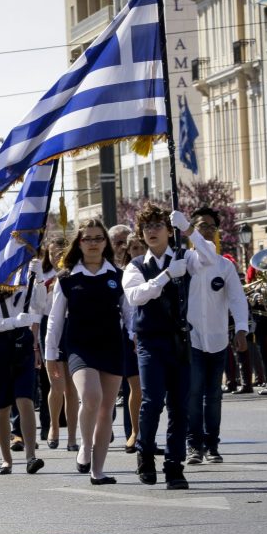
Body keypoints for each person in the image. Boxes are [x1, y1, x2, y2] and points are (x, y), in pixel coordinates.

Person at [122, 203, 219, 490]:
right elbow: (135, 296)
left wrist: (190, 230)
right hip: (151, 341)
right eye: (146, 227)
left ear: (169, 230)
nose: (151, 231)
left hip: (180, 340)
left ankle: (174, 465)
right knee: (152, 400)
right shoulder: (136, 265)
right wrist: (166, 276)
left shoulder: (185, 257)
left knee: (180, 405)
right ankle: (145, 453)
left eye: (158, 226)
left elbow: (211, 257)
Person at [46, 219, 128, 483]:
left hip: (112, 345)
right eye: (87, 238)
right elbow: (55, 320)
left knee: (106, 409)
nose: (93, 243)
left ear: (105, 242)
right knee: (91, 397)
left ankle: (98, 471)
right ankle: (84, 444)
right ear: (78, 243)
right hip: (80, 346)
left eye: (98, 238)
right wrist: (50, 356)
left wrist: (137, 336)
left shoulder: (117, 275)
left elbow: (129, 313)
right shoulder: (67, 278)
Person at [184, 208, 249, 466]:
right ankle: (193, 446)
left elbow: (237, 299)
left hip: (218, 339)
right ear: (191, 230)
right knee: (193, 393)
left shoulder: (225, 266)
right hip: (192, 341)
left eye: (211, 226)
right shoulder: (184, 262)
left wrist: (241, 329)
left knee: (213, 396)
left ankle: (212, 445)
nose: (207, 230)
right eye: (201, 225)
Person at [0, 261, 47, 475]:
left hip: (21, 344)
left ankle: (31, 456)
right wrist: (14, 322)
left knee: (25, 400)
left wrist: (39, 277)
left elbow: (40, 305)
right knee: (2, 407)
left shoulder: (24, 283)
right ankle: (6, 460)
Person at [39, 235, 79, 451]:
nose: (57, 257)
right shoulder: (43, 275)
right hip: (49, 326)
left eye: (62, 253)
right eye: (54, 253)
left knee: (72, 388)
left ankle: (72, 436)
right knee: (57, 385)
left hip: (71, 326)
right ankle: (54, 426)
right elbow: (36, 307)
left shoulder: (74, 272)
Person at [116, 237, 146, 453]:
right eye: (134, 247)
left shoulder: (154, 267)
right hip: (131, 336)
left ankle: (146, 433)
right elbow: (128, 310)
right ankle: (134, 432)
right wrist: (132, 333)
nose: (138, 250)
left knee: (151, 391)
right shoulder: (127, 272)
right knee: (134, 387)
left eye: (141, 247)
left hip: (155, 333)